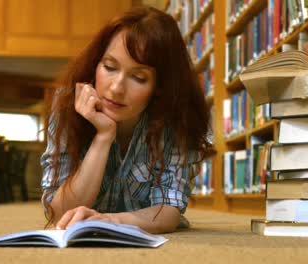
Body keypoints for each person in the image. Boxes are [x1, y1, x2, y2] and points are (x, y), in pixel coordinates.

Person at [41, 6, 212, 234]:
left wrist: (109, 221)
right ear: (95, 64)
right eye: (109, 67)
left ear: (159, 87)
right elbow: (60, 214)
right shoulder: (67, 104)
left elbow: (168, 211)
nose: (116, 88)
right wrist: (103, 137)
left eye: (139, 77)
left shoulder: (177, 117)